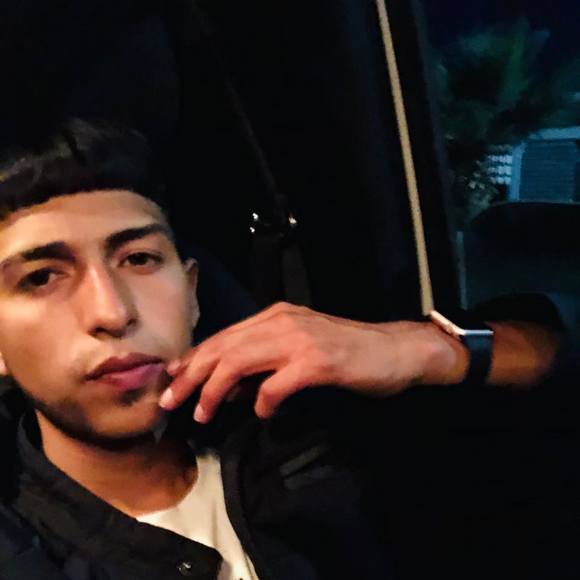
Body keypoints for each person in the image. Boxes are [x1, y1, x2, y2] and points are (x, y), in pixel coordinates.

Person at [0, 119, 570, 580]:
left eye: (139, 259)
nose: (113, 312)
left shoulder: (319, 434)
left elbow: (553, 365)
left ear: (192, 294)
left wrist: (421, 348)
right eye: (41, 277)